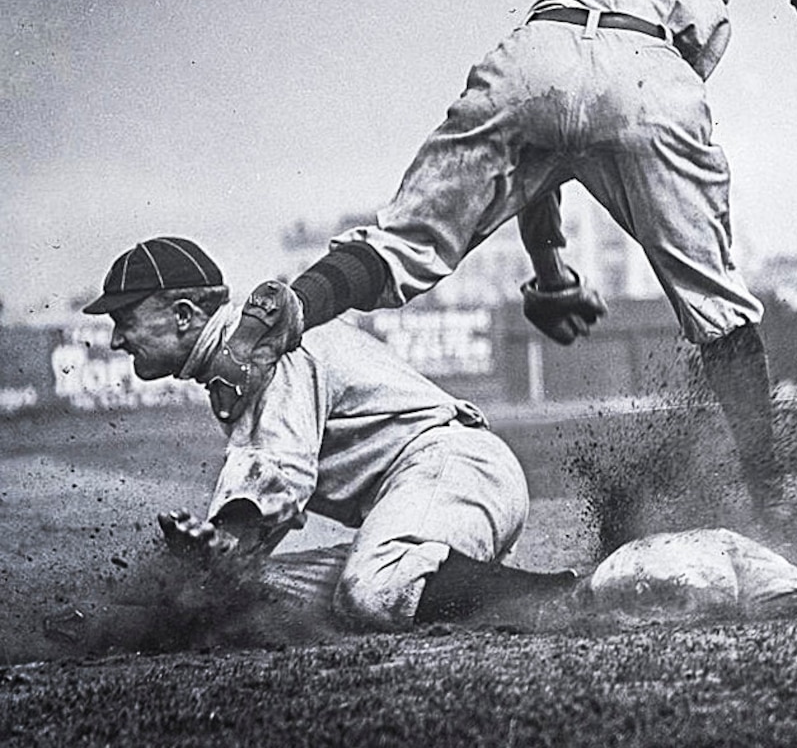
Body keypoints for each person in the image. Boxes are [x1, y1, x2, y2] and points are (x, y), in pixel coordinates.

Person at [206, 0, 797, 525]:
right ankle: (773, 496)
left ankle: (293, 302)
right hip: (646, 71)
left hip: (525, 72)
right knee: (718, 305)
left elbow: (533, 180)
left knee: (398, 244)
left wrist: (552, 277)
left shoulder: (551, 8)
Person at [82, 236, 575, 631]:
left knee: (374, 591)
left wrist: (224, 542)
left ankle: (568, 599)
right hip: (428, 498)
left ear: (183, 315)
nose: (116, 337)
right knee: (249, 597)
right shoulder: (237, 362)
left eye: (125, 319)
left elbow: (281, 476)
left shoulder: (269, 347)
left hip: (453, 468)